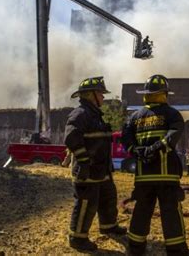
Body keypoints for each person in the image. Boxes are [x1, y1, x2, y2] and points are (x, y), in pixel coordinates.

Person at [122, 74, 189, 256]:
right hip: (166, 176)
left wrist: (136, 151)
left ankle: (136, 249)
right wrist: (158, 147)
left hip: (143, 176)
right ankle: (176, 251)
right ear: (164, 94)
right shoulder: (172, 114)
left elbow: (126, 137)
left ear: (146, 94)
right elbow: (174, 134)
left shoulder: (135, 116)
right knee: (171, 213)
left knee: (141, 212)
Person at [64, 76, 126, 252]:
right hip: (88, 170)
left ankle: (108, 226)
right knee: (86, 203)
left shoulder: (95, 115)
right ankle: (78, 238)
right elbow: (70, 138)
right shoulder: (80, 114)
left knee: (108, 198)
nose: (103, 97)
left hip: (102, 169)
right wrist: (83, 161)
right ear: (91, 95)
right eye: (100, 93)